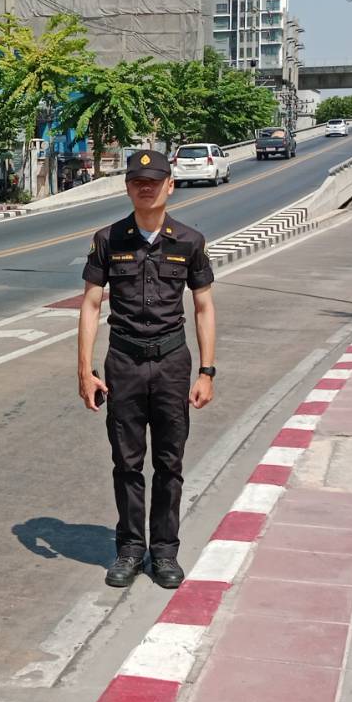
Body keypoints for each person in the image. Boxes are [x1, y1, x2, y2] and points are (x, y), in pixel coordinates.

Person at [77, 150, 217, 590]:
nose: (146, 188)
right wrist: (85, 370)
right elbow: (91, 305)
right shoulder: (108, 239)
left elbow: (204, 307)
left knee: (169, 463)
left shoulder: (189, 241)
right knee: (127, 462)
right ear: (127, 188)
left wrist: (207, 371)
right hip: (124, 362)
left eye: (154, 181)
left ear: (170, 186)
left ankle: (165, 551)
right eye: (138, 181)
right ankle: (131, 549)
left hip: (172, 363)